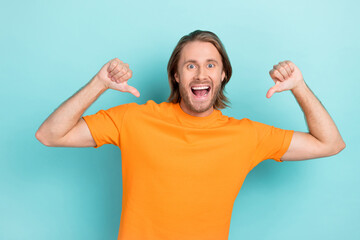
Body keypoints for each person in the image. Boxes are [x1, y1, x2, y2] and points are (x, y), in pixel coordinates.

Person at [36, 30, 345, 240]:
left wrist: (299, 87)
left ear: (223, 74)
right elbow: (50, 134)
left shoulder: (246, 136)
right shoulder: (135, 119)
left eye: (211, 65)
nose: (200, 74)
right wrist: (99, 84)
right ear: (176, 74)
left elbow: (330, 143)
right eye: (190, 65)